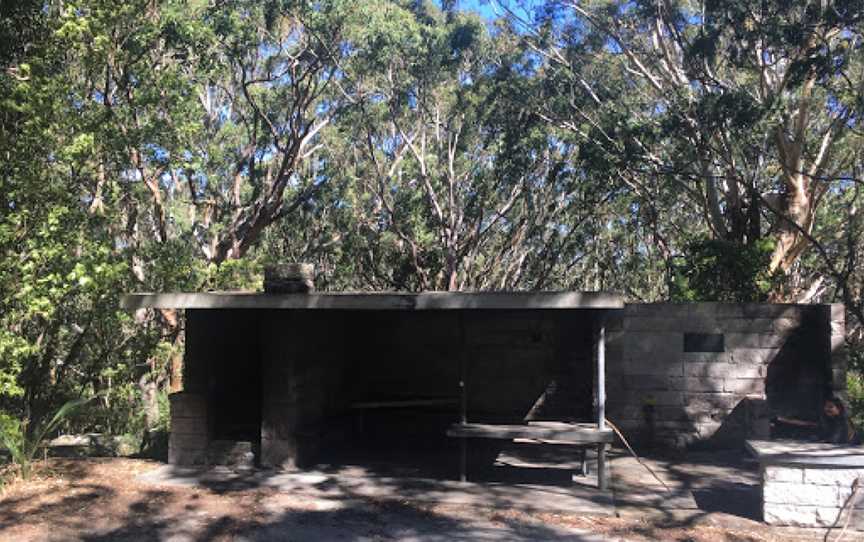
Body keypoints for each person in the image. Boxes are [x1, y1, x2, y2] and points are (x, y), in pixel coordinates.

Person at [775, 396, 861, 445]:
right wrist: (783, 420)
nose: (827, 409)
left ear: (839, 409)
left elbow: (835, 440)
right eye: (826, 406)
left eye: (831, 407)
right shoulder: (828, 419)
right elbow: (807, 423)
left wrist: (820, 441)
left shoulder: (843, 421)